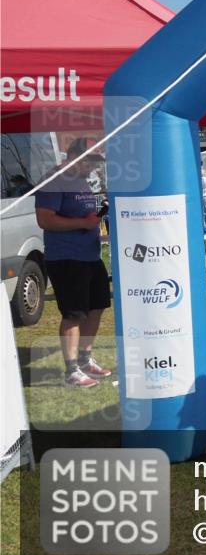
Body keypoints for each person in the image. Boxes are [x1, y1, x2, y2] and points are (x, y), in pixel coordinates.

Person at [34, 138, 113, 388]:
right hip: (66, 258)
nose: (95, 167)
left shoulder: (81, 180)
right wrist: (82, 223)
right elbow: (45, 219)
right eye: (92, 161)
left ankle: (85, 359)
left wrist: (95, 221)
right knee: (74, 314)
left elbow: (82, 215)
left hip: (90, 255)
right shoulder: (53, 180)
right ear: (76, 157)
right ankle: (71, 370)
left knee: (97, 306)